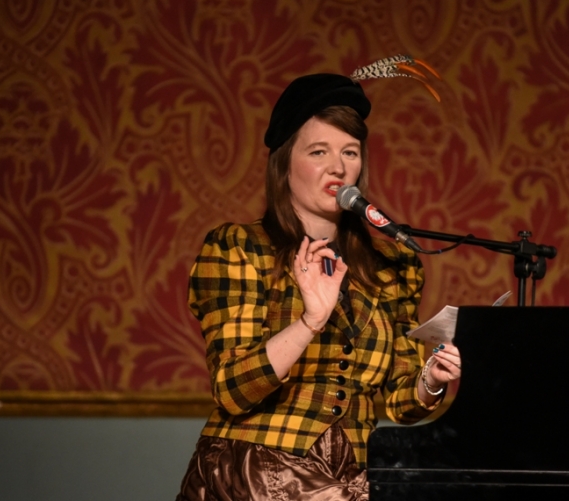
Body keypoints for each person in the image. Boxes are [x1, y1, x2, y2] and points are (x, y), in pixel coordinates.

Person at [176, 64, 462, 501]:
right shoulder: (239, 248)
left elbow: (401, 403)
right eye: (318, 152)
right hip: (257, 469)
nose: (338, 168)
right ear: (285, 163)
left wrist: (433, 377)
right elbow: (232, 391)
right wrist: (310, 321)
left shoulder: (393, 266)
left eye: (350, 152)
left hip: (353, 476)